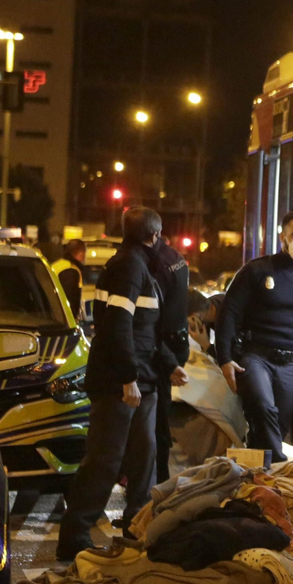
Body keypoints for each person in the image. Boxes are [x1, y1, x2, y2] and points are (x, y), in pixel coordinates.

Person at [56, 206, 166, 562]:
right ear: (153, 236)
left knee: (142, 454)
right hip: (120, 383)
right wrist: (127, 377)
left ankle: (136, 526)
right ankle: (75, 533)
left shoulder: (133, 265)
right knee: (105, 459)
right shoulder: (131, 267)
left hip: (140, 381)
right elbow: (119, 324)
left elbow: (140, 329)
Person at [215, 211, 293, 463]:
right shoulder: (257, 271)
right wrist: (225, 358)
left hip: (291, 364)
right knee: (263, 409)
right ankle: (280, 470)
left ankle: (257, 479)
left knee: (277, 426)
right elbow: (228, 313)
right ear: (282, 237)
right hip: (255, 357)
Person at [149, 234, 192, 483]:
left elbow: (149, 322)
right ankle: (160, 484)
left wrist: (167, 360)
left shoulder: (153, 263)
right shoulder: (176, 258)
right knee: (160, 417)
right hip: (176, 344)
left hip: (160, 350)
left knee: (155, 422)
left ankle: (156, 486)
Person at [51, 239, 87, 320]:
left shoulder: (58, 264)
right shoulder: (71, 270)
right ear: (81, 252)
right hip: (61, 318)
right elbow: (69, 297)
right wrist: (71, 319)